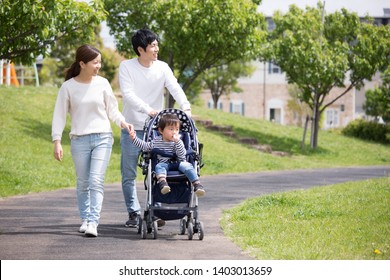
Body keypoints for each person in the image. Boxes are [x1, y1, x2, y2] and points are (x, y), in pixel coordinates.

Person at [52, 44, 134, 237]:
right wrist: (56, 140)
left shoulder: (103, 84)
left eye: (100, 62)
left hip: (102, 138)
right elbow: (59, 115)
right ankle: (86, 219)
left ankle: (93, 222)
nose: (98, 66)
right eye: (95, 62)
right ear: (82, 63)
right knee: (83, 182)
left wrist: (123, 123)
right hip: (79, 139)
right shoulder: (68, 87)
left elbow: (112, 110)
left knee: (96, 180)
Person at [119, 28, 192, 228]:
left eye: (157, 45)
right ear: (140, 49)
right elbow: (128, 94)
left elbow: (175, 87)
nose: (157, 49)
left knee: (157, 170)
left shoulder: (162, 67)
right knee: (129, 173)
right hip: (133, 127)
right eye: (153, 46)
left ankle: (157, 209)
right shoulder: (126, 67)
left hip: (157, 129)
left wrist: (185, 107)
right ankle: (133, 212)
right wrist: (148, 110)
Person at [130, 113, 206, 196]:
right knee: (159, 166)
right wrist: (134, 139)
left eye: (177, 129)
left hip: (179, 163)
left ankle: (197, 185)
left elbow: (182, 155)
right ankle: (163, 183)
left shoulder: (178, 142)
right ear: (161, 131)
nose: (174, 132)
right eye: (171, 129)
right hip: (164, 163)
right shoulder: (157, 141)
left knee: (188, 166)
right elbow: (145, 146)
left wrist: (177, 142)